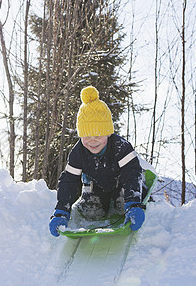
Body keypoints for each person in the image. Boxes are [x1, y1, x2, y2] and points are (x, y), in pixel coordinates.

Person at [49, 86, 147, 237]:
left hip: (121, 183)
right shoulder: (78, 153)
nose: (92, 141)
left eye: (98, 135)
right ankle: (103, 202)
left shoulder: (120, 147)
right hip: (98, 186)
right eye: (87, 136)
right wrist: (61, 210)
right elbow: (69, 181)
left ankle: (124, 202)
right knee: (91, 213)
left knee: (123, 206)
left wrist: (133, 203)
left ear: (108, 133)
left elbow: (132, 174)